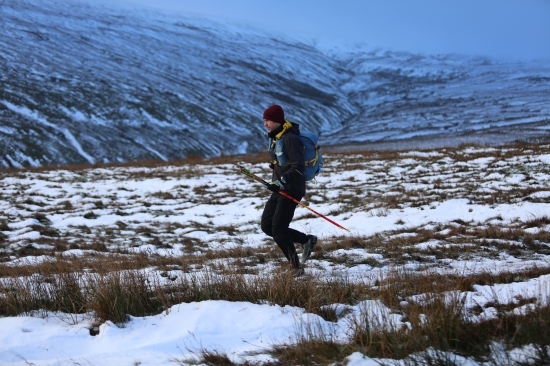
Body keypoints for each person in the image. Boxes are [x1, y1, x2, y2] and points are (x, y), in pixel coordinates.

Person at [260, 104, 317, 277]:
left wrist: (282, 180)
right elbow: (285, 162)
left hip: (291, 189)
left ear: (277, 121)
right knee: (267, 226)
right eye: (264, 120)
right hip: (279, 188)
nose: (265, 124)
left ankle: (296, 269)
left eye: (268, 120)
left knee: (278, 229)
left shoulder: (291, 139)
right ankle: (305, 239)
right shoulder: (277, 137)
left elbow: (298, 167)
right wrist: (275, 168)